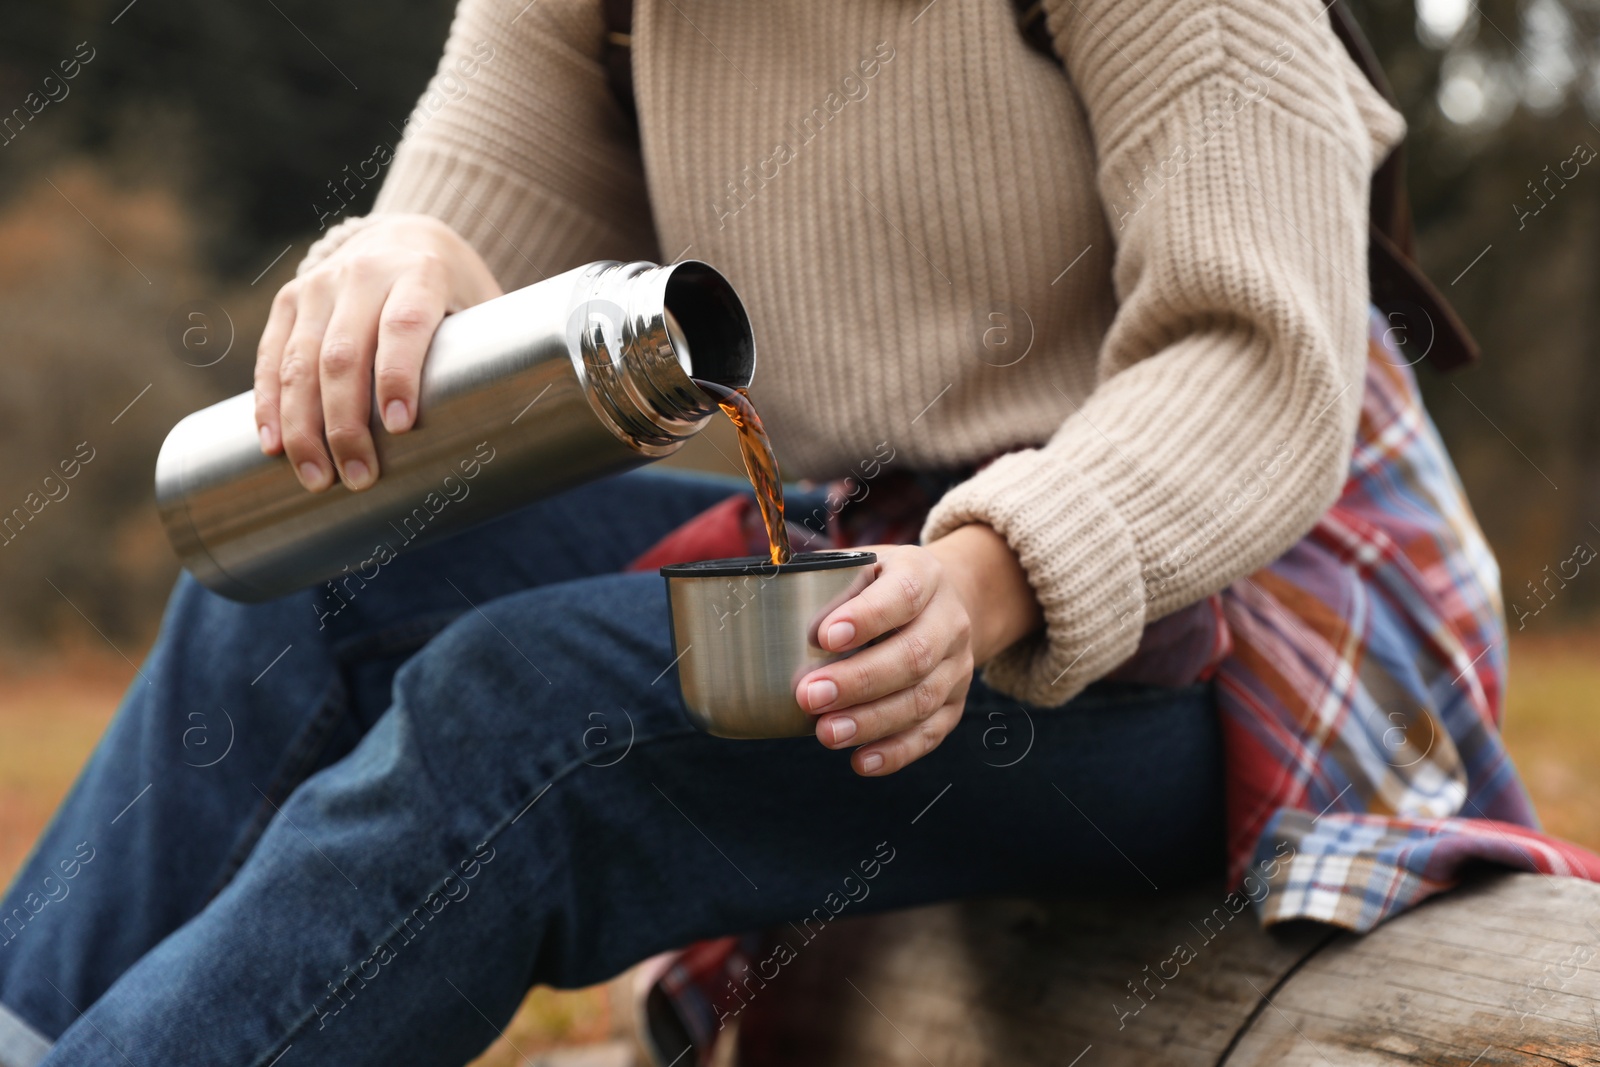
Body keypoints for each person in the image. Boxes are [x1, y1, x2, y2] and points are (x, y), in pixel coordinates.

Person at [3, 1, 1593, 1065]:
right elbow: (469, 259)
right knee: (307, 576)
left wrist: (993, 576)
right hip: (880, 545)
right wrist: (396, 259)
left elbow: (1256, 367)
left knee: (535, 715)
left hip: (1241, 607)